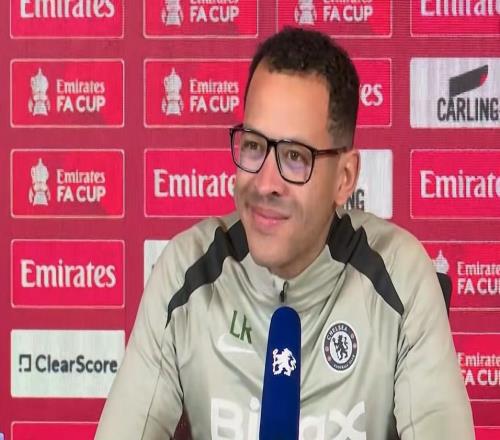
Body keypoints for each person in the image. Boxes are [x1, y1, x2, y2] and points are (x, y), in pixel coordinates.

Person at [95, 27, 474, 439]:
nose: (265, 183)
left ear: (345, 178)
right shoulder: (187, 271)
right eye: (254, 146)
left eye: (295, 157)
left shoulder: (401, 276)